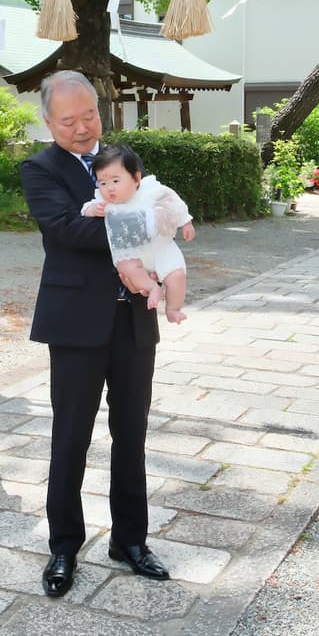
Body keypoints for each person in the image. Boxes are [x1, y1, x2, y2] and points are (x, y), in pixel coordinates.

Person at [21, 71, 169, 598]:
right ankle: (64, 545)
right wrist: (138, 224)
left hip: (132, 318)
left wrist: (151, 224)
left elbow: (158, 210)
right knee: (71, 436)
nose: (82, 129)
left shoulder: (124, 161)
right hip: (76, 324)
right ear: (48, 121)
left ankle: (131, 540)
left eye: (89, 116)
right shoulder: (39, 169)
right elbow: (66, 230)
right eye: (69, 121)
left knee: (132, 432)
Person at [81, 145, 196, 323]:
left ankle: (173, 308)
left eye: (116, 181)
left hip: (161, 248)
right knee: (126, 267)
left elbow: (173, 202)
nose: (109, 188)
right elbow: (85, 208)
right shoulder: (102, 201)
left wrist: (186, 222)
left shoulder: (151, 191)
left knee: (176, 275)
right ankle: (152, 288)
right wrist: (92, 210)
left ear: (136, 178)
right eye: (103, 183)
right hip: (130, 252)